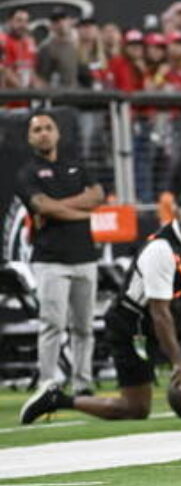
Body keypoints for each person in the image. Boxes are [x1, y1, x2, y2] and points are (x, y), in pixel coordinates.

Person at [19, 189, 181, 423]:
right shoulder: (162, 248)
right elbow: (159, 314)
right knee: (135, 408)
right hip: (133, 323)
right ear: (176, 211)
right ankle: (57, 399)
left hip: (174, 310)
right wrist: (179, 364)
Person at [16, 111, 103, 395]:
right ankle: (48, 382)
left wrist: (58, 208)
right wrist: (80, 211)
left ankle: (83, 382)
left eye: (48, 128)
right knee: (52, 324)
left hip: (85, 256)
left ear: (57, 133)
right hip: (50, 259)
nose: (43, 133)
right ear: (30, 138)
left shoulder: (76, 166)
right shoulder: (27, 172)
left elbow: (98, 195)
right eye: (37, 129)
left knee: (84, 327)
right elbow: (41, 206)